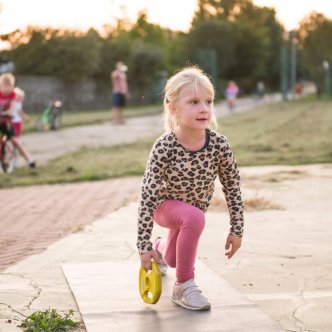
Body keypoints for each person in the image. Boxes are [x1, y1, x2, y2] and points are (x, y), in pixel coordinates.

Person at [137, 66, 244, 311]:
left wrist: (237, 229)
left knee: (174, 257)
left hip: (189, 215)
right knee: (193, 218)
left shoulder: (219, 145)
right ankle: (183, 285)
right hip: (164, 208)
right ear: (173, 108)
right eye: (194, 102)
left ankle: (160, 249)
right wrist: (141, 245)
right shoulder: (164, 147)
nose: (204, 108)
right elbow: (147, 197)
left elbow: (233, 188)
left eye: (208, 101)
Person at [0, 73, 35, 168]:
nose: (7, 90)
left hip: (7, 120)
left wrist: (8, 112)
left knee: (14, 140)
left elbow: (12, 108)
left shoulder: (13, 95)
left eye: (9, 87)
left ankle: (29, 160)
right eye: (4, 87)